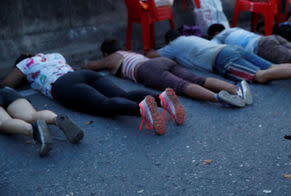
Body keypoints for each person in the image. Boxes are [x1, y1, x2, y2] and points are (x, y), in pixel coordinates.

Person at [1, 52, 185, 135]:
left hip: (63, 85)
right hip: (81, 74)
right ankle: (162, 99)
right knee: (123, 94)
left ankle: (141, 111)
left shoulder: (25, 64)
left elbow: (7, 85)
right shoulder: (54, 55)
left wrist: (23, 77)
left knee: (104, 105)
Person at [82, 38, 252, 108]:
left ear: (106, 53)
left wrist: (85, 66)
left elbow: (92, 66)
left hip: (146, 69)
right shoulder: (129, 52)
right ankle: (235, 89)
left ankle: (218, 98)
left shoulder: (111, 57)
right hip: (161, 62)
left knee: (182, 86)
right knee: (196, 79)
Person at [147, 30, 291, 85]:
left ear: (169, 41)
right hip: (231, 49)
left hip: (223, 59)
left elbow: (153, 56)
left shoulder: (173, 45)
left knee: (261, 76)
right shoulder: (191, 37)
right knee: (271, 67)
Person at [208, 24, 291, 86]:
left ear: (216, 32)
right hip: (270, 38)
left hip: (261, 46)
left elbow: (213, 46)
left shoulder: (220, 36)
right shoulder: (234, 29)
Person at [0, 86, 84, 157]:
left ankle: (31, 129)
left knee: (5, 122)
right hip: (6, 91)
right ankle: (56, 119)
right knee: (31, 115)